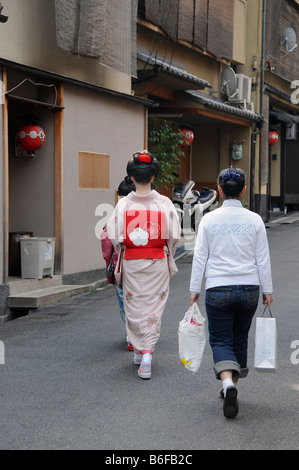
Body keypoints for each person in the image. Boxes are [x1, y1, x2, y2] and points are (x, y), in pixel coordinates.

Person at [189, 167, 273, 419]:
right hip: (249, 288)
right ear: (244, 190)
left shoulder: (209, 220)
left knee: (220, 339)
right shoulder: (255, 220)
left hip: (218, 288)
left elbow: (200, 257)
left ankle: (227, 384)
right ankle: (232, 387)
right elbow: (263, 259)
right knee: (239, 337)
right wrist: (267, 289)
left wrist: (194, 289)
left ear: (220, 191)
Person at [107, 150, 180, 379]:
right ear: (153, 176)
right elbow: (174, 236)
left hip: (131, 260)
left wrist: (125, 248)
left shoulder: (124, 204)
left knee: (133, 305)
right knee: (152, 309)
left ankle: (141, 351)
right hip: (157, 260)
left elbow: (113, 234)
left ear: (131, 177)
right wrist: (167, 253)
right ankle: (146, 352)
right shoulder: (164, 203)